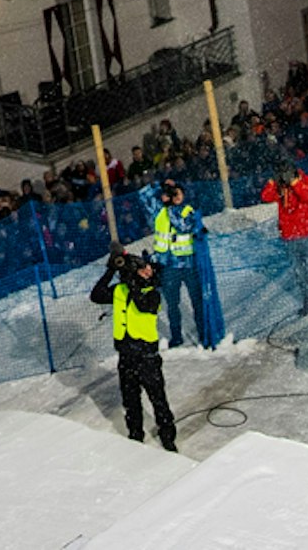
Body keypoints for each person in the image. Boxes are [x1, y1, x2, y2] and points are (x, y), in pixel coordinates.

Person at [89, 247, 176, 451]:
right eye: (142, 268)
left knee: (158, 399)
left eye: (147, 268)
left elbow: (143, 305)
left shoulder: (153, 293)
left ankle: (168, 436)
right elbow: (96, 295)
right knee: (130, 400)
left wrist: (132, 282)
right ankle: (135, 435)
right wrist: (110, 270)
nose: (146, 271)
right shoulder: (120, 290)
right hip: (126, 355)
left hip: (147, 356)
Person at [140, 178, 206, 347]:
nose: (176, 196)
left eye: (179, 192)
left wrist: (171, 205)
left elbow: (183, 226)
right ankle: (176, 336)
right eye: (172, 193)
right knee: (172, 305)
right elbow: (143, 195)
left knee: (197, 302)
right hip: (169, 267)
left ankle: (203, 334)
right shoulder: (159, 212)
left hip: (189, 265)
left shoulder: (187, 211)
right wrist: (160, 185)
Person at [261, 162, 308, 314]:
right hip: (289, 237)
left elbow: (306, 196)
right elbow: (266, 197)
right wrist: (273, 181)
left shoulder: (305, 180)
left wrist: (294, 181)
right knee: (300, 273)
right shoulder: (281, 187)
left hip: (307, 234)